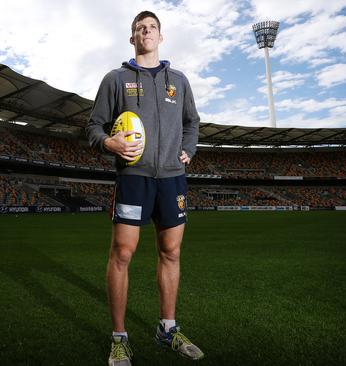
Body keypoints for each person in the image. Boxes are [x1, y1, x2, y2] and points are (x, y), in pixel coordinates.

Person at [86, 10, 203, 365]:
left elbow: (192, 122)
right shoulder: (116, 79)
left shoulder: (178, 81)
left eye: (151, 27)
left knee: (171, 252)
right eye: (140, 28)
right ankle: (119, 338)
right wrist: (111, 144)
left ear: (160, 37)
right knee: (122, 254)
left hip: (172, 177)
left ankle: (167, 328)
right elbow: (93, 127)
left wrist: (189, 148)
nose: (146, 32)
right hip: (133, 178)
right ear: (132, 37)